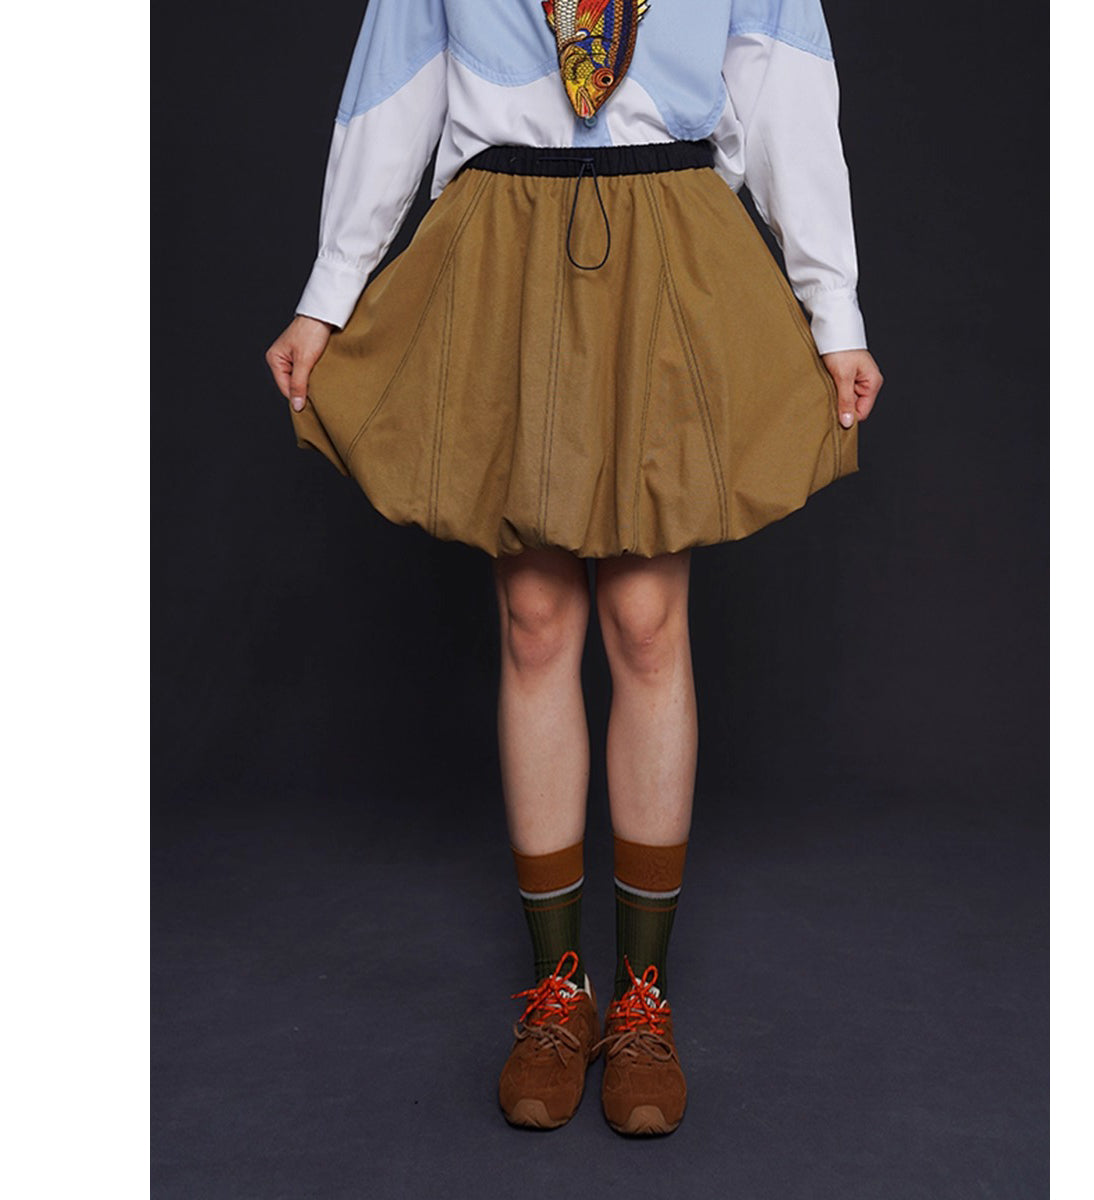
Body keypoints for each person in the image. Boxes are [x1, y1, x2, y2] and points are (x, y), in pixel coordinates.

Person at [265, 0, 883, 1138]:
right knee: (537, 620)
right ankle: (559, 995)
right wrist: (329, 290)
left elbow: (784, 88)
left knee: (646, 619)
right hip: (503, 235)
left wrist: (831, 306)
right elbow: (395, 85)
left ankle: (643, 1001)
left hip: (669, 232)